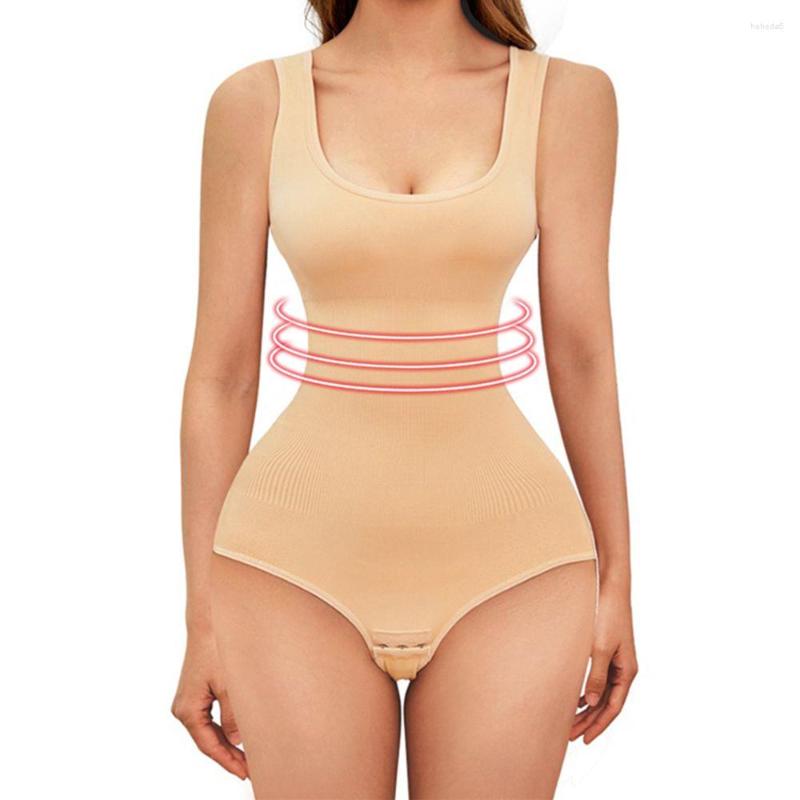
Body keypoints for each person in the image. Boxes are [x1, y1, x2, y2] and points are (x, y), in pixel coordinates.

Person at [172, 1, 637, 797]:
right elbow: (222, 375)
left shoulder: (568, 99)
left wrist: (618, 580)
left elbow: (584, 355)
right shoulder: (254, 104)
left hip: (516, 565)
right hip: (291, 565)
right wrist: (201, 617)